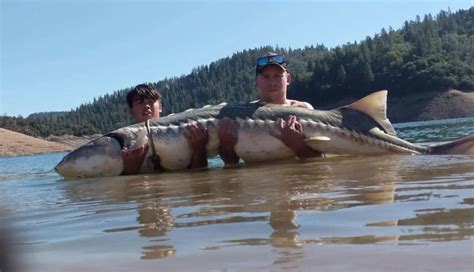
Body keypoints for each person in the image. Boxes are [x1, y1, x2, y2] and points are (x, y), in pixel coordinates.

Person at [218, 52, 324, 164]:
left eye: (277, 76)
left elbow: (320, 161)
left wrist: (297, 145)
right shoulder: (243, 113)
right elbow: (231, 166)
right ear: (257, 82)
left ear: (288, 79)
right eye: (266, 77)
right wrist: (227, 147)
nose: (272, 83)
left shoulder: (304, 109)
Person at [122, 84, 208, 174]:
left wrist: (200, 148)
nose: (146, 106)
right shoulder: (126, 145)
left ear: (160, 107)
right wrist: (131, 168)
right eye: (140, 102)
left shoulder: (186, 132)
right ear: (131, 111)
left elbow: (199, 176)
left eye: (151, 101)